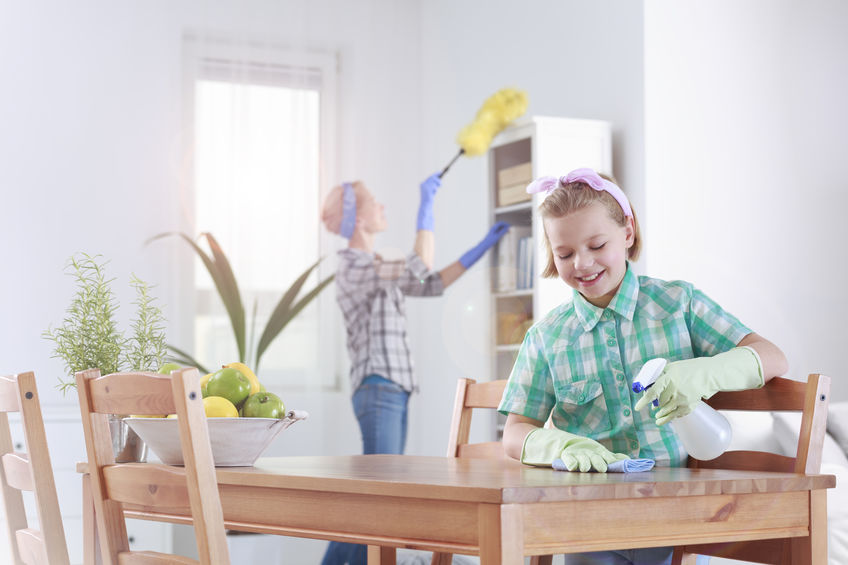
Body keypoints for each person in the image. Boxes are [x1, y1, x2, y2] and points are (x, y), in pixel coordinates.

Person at [497, 168, 788, 565]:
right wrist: (558, 444)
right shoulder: (547, 337)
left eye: (597, 245)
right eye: (564, 254)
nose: (582, 264)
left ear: (628, 233)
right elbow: (515, 431)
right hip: (588, 522)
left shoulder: (677, 304)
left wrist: (703, 373)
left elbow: (772, 356)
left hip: (677, 520)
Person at [320, 173, 509, 565]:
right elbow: (422, 268)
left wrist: (481, 249)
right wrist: (427, 207)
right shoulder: (354, 265)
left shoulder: (378, 264)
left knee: (377, 494)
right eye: (375, 202)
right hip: (378, 387)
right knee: (378, 495)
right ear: (356, 216)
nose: (383, 207)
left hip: (393, 388)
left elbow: (431, 283)